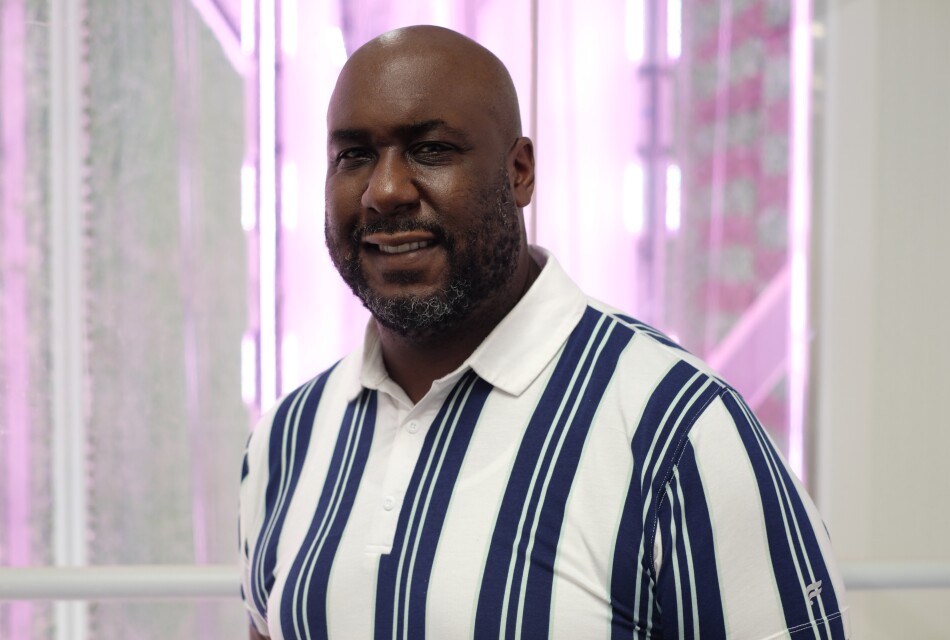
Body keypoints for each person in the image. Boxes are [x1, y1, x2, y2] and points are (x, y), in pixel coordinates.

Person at [239, 25, 849, 640]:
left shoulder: (680, 432)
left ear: (520, 172)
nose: (385, 191)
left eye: (430, 149)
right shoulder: (287, 439)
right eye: (354, 156)